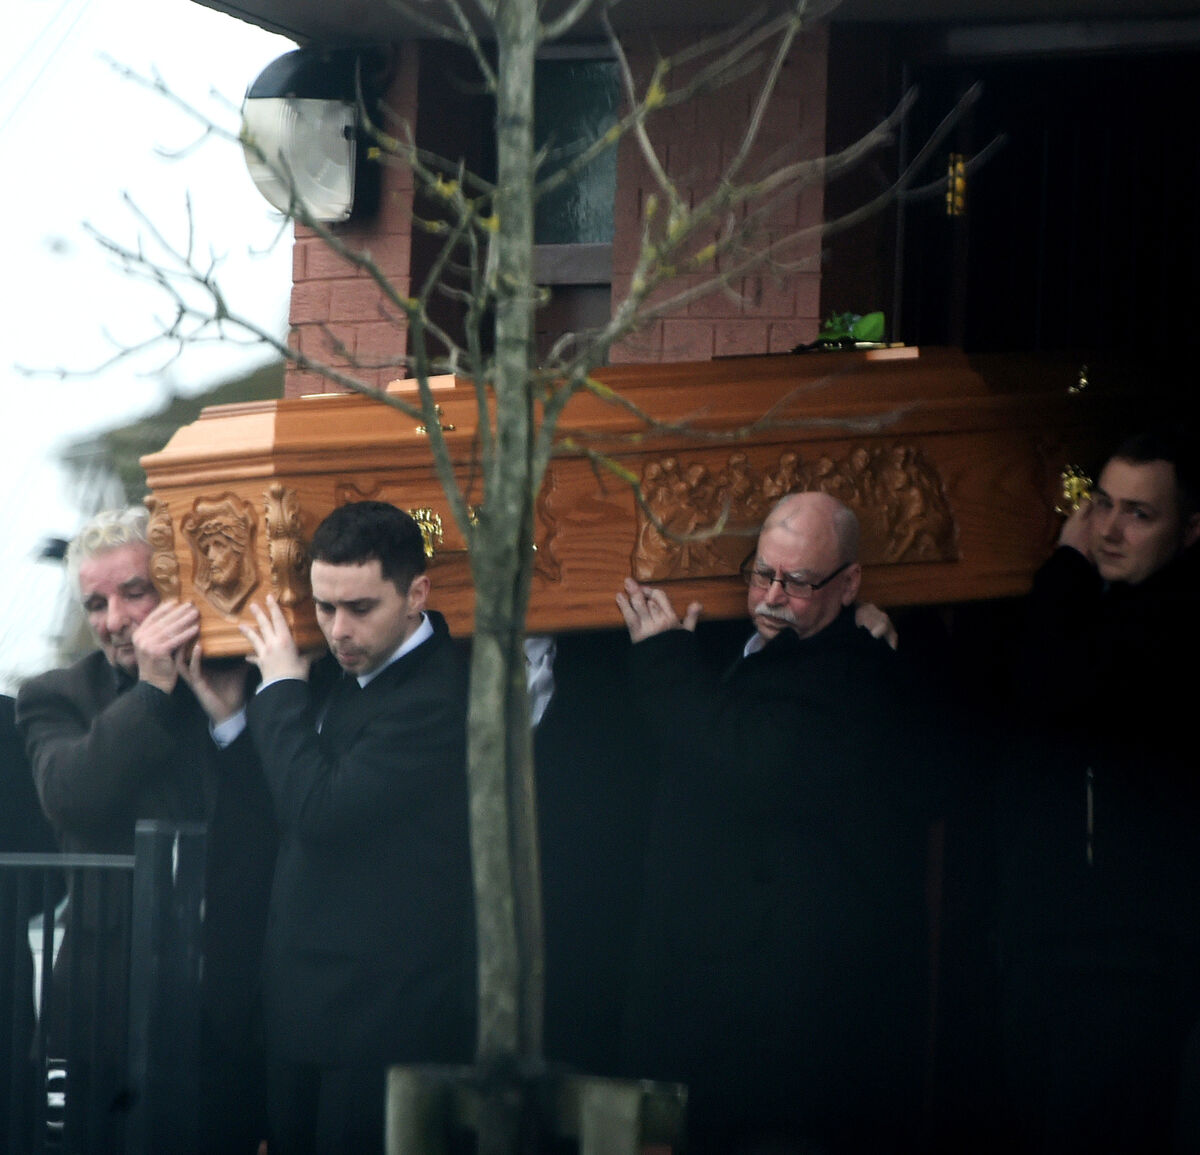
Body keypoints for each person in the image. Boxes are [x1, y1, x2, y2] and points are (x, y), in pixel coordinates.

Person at [615, 491, 941, 1155]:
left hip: (784, 1055)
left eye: (797, 582)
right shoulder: (759, 649)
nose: (770, 595)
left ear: (849, 583)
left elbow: (750, 756)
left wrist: (662, 659)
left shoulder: (860, 676)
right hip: (710, 1019)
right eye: (762, 572)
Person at [15, 506, 276, 1154]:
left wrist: (228, 722)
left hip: (226, 1018)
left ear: (176, 584)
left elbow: (268, 824)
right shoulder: (55, 693)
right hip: (101, 1019)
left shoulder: (233, 679)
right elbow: (68, 794)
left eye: (135, 592)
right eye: (96, 602)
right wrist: (153, 690)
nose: (115, 619)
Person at [239, 500, 475, 1155]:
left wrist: (280, 691)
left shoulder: (436, 695)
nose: (338, 629)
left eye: (360, 607)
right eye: (323, 606)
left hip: (382, 1025)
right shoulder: (340, 672)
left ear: (416, 593)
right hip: (302, 1013)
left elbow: (319, 810)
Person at [995, 427, 1200, 1153]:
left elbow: (1058, 691)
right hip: (1050, 946)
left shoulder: (1173, 623)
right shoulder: (1094, 608)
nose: (1110, 529)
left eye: (1140, 514)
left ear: (1189, 529)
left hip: (1130, 962)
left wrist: (1065, 564)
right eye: (1103, 505)